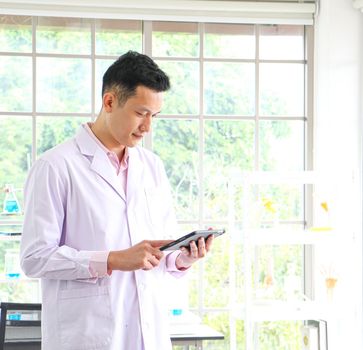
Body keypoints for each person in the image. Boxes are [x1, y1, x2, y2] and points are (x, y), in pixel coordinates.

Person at [20, 51, 214, 350]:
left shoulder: (152, 167)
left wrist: (183, 258)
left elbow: (160, 252)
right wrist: (112, 259)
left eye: (154, 116)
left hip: (148, 335)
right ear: (109, 102)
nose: (148, 127)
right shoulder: (56, 166)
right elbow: (34, 258)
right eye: (140, 113)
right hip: (87, 338)